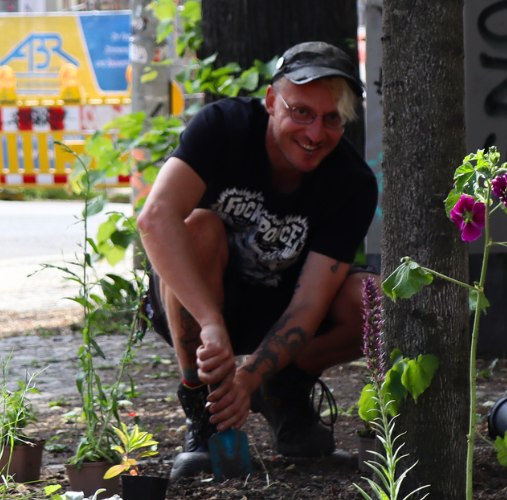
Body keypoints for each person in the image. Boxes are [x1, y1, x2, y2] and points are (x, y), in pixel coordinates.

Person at [136, 41, 379, 479]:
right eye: (301, 111)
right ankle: (202, 405)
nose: (314, 133)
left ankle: (281, 387)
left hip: (282, 310)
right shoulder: (223, 127)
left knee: (373, 301)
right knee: (200, 226)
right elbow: (154, 218)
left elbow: (309, 305)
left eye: (332, 119)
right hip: (197, 300)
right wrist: (210, 321)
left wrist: (249, 378)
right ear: (271, 101)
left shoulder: (352, 183)